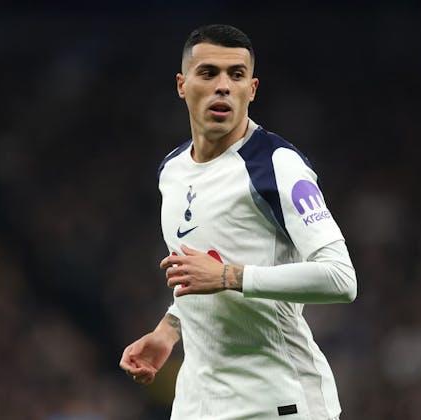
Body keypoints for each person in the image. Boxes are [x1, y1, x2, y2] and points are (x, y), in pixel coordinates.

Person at [120, 24, 357, 420]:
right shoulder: (172, 170)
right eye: (208, 73)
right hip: (198, 404)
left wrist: (230, 276)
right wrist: (168, 330)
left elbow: (341, 279)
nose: (223, 87)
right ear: (182, 85)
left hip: (277, 402)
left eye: (236, 75)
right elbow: (200, 272)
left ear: (252, 89)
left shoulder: (278, 165)